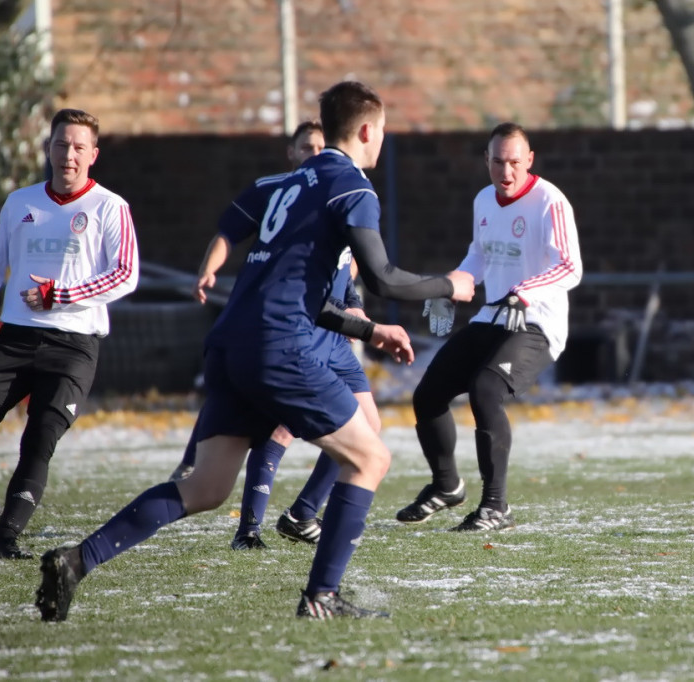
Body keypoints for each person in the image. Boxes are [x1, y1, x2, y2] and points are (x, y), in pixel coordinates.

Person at [34, 81, 475, 622]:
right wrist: (448, 285)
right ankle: (321, 597)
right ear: (366, 130)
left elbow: (297, 288)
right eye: (381, 131)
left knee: (205, 487)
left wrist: (369, 332)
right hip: (277, 345)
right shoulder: (352, 188)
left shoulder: (292, 183)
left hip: (231, 340)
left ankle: (78, 560)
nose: (381, 141)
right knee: (371, 456)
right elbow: (381, 278)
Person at [170, 120, 383, 552]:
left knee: (369, 427)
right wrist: (210, 265)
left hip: (334, 328)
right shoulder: (279, 189)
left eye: (322, 146)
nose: (315, 153)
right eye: (307, 146)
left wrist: (353, 301)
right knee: (279, 427)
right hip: (296, 325)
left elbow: (351, 258)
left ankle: (303, 513)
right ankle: (250, 527)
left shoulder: (346, 187)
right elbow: (230, 230)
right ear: (292, 152)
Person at [397, 122, 582, 532]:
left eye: (515, 161)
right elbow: (478, 258)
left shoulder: (550, 201)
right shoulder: (484, 200)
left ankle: (496, 507)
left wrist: (524, 293)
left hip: (536, 323)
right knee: (428, 394)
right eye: (498, 161)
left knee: (486, 389)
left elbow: (570, 267)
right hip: (492, 318)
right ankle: (446, 486)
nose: (506, 171)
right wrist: (449, 287)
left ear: (529, 160)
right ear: (486, 160)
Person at [0, 109, 139, 560]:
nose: (69, 155)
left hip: (73, 345)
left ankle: (5, 540)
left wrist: (59, 295)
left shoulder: (110, 207)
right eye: (62, 144)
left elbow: (125, 274)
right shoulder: (19, 203)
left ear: (93, 155)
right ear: (49, 149)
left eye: (79, 147)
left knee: (39, 437)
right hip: (15, 339)